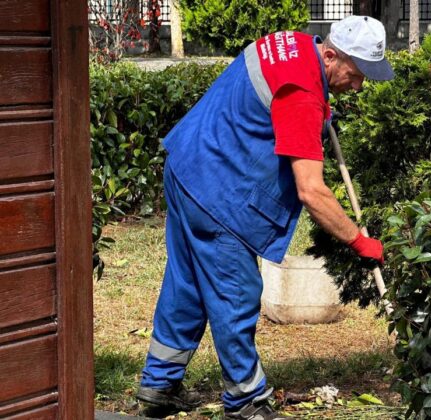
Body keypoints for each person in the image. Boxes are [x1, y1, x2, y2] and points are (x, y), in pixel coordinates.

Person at [135, 15, 393, 420]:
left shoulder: (291, 44)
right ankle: (247, 401)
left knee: (186, 284)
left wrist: (320, 107)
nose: (358, 87)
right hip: (217, 191)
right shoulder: (305, 93)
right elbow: (311, 190)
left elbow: (271, 98)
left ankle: (158, 384)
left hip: (187, 163)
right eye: (356, 74)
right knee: (235, 293)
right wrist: (359, 241)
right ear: (330, 55)